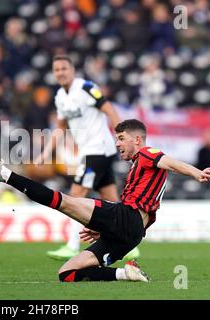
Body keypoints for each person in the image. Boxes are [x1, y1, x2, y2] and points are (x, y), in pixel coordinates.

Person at [0, 119, 210, 282]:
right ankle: (126, 274)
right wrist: (104, 228)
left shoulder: (146, 153)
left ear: (137, 139)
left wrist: (196, 172)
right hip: (130, 233)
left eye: (122, 138)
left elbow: (169, 161)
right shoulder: (139, 165)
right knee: (67, 273)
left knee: (63, 202)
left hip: (126, 218)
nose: (117, 144)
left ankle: (5, 174)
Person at [37, 54, 140, 261]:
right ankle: (130, 243)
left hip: (98, 150)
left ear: (72, 70)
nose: (60, 73)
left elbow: (109, 110)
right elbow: (60, 128)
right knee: (112, 199)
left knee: (75, 197)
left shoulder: (85, 88)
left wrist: (123, 139)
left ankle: (72, 245)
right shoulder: (60, 97)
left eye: (64, 68)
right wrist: (45, 153)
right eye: (56, 69)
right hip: (90, 152)